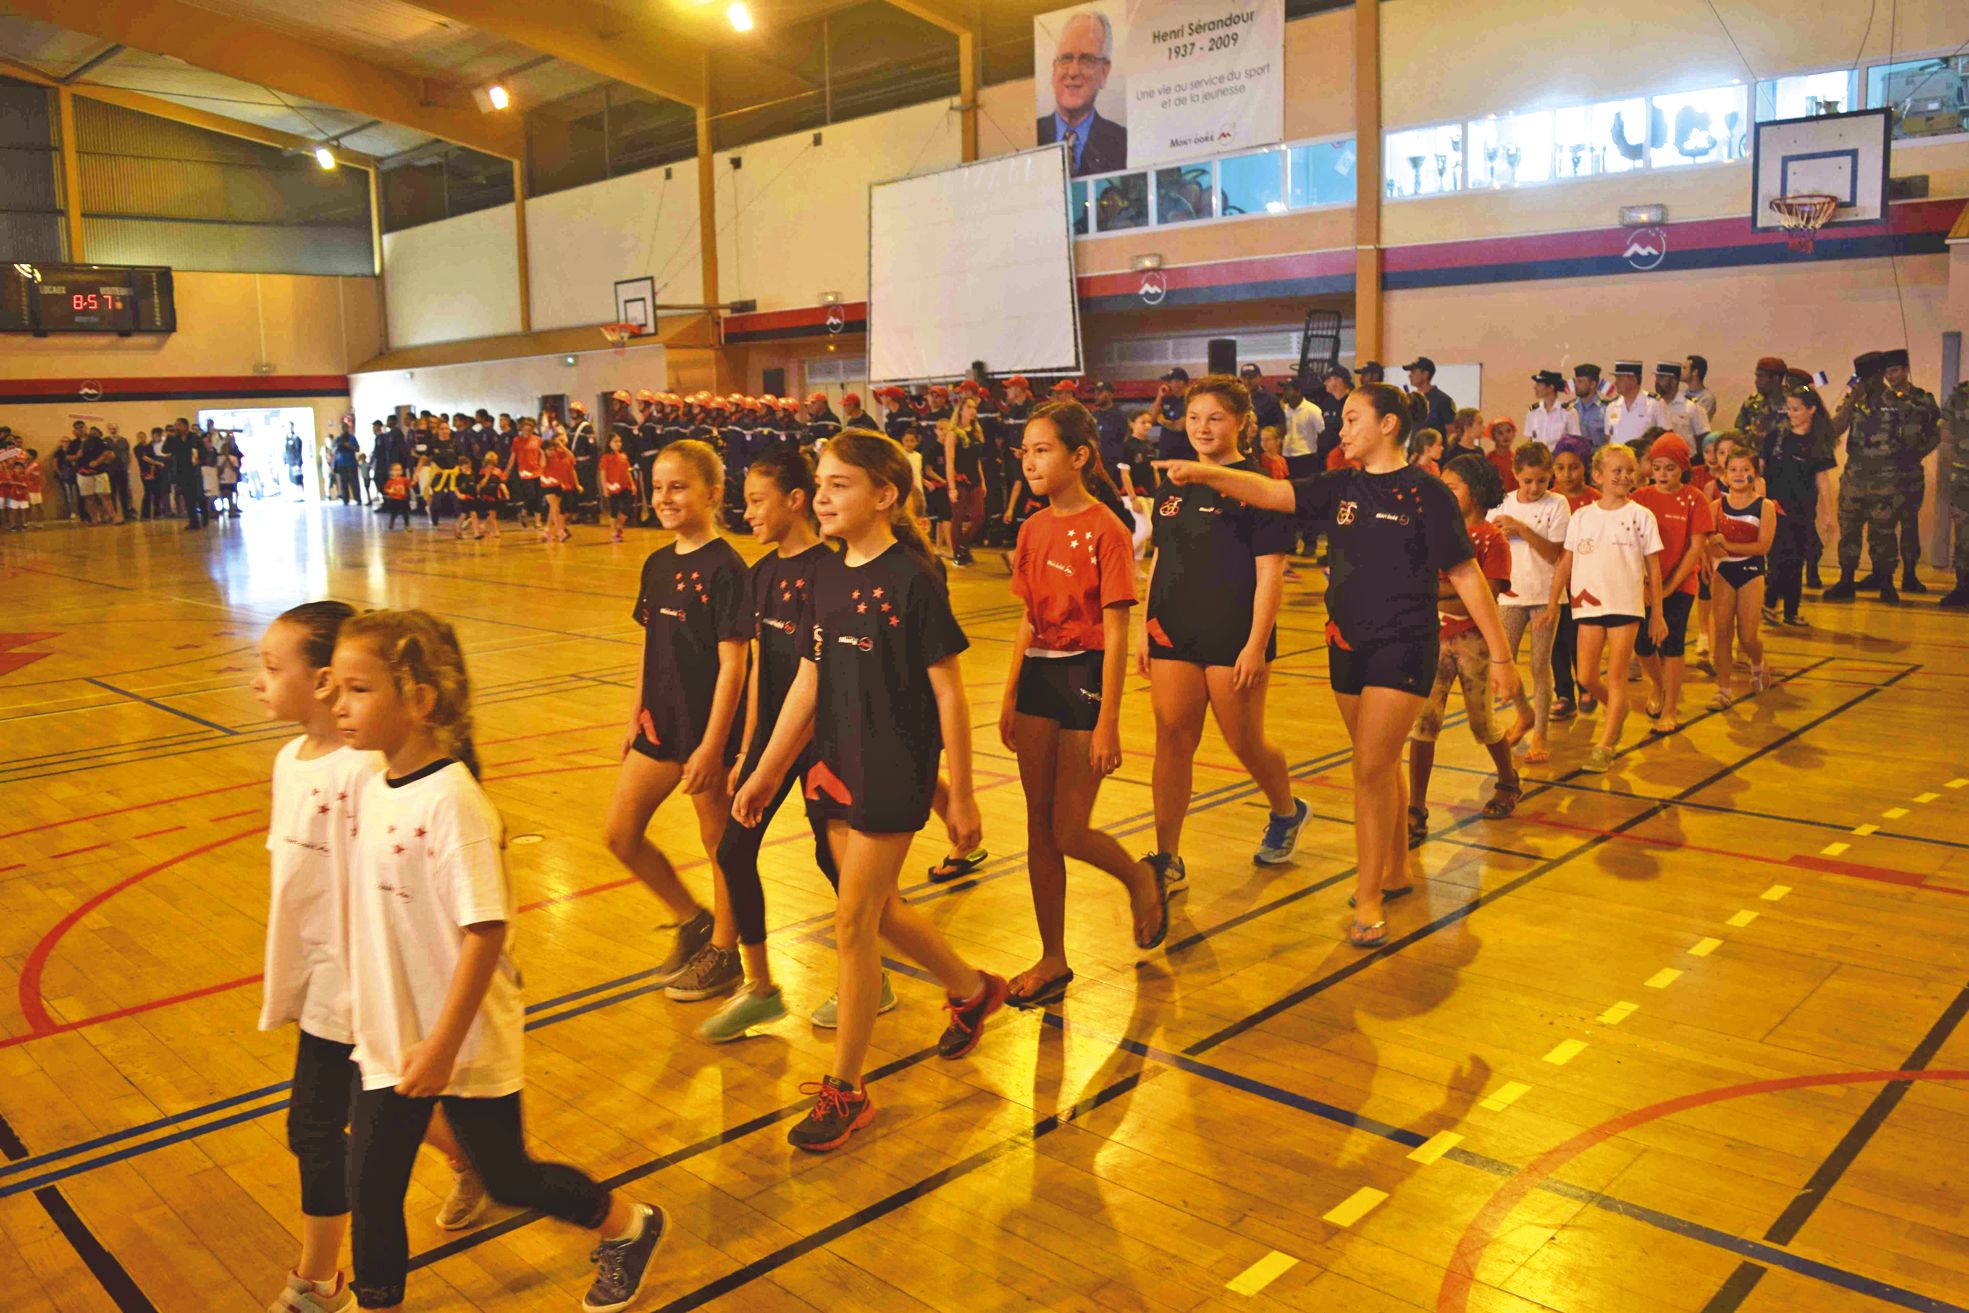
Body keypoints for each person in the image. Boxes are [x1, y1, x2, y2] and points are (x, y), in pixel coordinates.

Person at [329, 610, 664, 1313]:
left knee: (509, 1177)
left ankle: (630, 1225)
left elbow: (484, 932)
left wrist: (444, 1045)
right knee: (371, 1186)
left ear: (418, 700)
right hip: (394, 1037)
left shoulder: (454, 803)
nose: (338, 703)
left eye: (358, 689)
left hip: (461, 1038)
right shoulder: (370, 782)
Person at [1156, 383, 1518, 946]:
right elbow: (1273, 494)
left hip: (1405, 643)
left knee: (1369, 769)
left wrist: (1500, 655)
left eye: (1352, 419)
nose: (1341, 430)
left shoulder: (1427, 493)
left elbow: (1468, 575)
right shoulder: (1340, 485)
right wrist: (1207, 475)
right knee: (1379, 763)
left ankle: (1369, 896)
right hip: (1346, 644)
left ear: (1389, 425)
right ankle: (1394, 868)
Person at [732, 430, 1007, 1152]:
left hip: (892, 767)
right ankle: (974, 989)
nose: (821, 496)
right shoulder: (821, 575)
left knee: (851, 921)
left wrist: (963, 795)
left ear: (884, 495)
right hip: (833, 764)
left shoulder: (913, 578)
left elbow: (947, 694)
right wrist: (765, 768)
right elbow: (809, 677)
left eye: (839, 484)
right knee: (878, 910)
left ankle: (847, 1089)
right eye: (819, 483)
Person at [249, 602, 486, 1313]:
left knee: (316, 1128)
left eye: (270, 667)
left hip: (364, 984)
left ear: (322, 680)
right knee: (372, 1106)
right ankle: (476, 1154)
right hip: (323, 975)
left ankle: (318, 1281)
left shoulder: (365, 771)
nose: (257, 681)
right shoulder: (289, 759)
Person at [1000, 402, 1171, 1009]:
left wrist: (1108, 721)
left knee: (1069, 829)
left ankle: (1139, 877)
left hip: (1086, 678)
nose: (1030, 462)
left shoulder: (1108, 529)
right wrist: (1010, 689)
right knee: (1037, 825)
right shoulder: (1030, 528)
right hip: (1038, 677)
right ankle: (1052, 956)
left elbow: (1119, 629)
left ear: (1079, 457)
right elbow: (1026, 618)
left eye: (1042, 450)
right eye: (1024, 451)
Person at [706, 446, 858, 1041]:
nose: (747, 514)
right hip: (772, 743)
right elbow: (764, 673)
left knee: (835, 861)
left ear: (796, 501)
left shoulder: (832, 569)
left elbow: (822, 678)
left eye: (757, 502)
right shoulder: (761, 574)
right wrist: (747, 751)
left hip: (825, 742)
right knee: (733, 852)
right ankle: (762, 988)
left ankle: (868, 978)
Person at [1137, 376, 1307, 884]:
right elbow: (1160, 559)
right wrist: (1143, 630)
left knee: (1244, 741)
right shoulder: (1174, 484)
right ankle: (1166, 856)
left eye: (1214, 418)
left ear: (1239, 422)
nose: (1202, 428)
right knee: (1171, 736)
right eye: (1193, 418)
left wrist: (1256, 644)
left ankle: (1286, 810)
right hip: (1172, 630)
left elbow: (1270, 572)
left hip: (1234, 633)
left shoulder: (1258, 488)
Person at [599, 440, 750, 1007]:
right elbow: (649, 646)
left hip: (706, 732)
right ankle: (691, 920)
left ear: (712, 494)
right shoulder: (658, 563)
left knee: (719, 847)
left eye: (678, 487)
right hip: (657, 727)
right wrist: (633, 712)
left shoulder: (728, 569)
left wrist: (713, 746)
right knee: (620, 834)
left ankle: (726, 951)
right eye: (658, 487)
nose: (664, 498)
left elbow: (734, 665)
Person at [1407, 452, 1525, 845]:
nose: (1441, 491)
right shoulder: (1432, 531)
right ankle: (1416, 806)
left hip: (1474, 643)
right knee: (1424, 723)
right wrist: (1447, 591)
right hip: (1431, 639)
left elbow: (1481, 599)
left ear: (1473, 495)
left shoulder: (1491, 539)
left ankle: (1508, 780)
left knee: (1481, 721)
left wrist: (1432, 593)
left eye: (1451, 486)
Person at [1545, 445, 1667, 772]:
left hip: (1626, 605)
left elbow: (1653, 568)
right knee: (1585, 676)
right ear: (1598, 476)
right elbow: (1566, 561)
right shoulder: (1582, 516)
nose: (1624, 476)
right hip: (1588, 606)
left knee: (1615, 677)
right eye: (1616, 471)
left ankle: (1606, 744)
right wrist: (1553, 601)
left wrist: (1657, 613)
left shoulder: (1641, 516)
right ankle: (1618, 708)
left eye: (1629, 471)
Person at [1489, 441, 1571, 763]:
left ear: (1550, 476)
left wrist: (1521, 529)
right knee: (1502, 661)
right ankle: (1524, 712)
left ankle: (1540, 734)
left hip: (1545, 595)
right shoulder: (1501, 504)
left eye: (1541, 480)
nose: (1535, 487)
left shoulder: (1558, 504)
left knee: (1540, 666)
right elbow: (1489, 546)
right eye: (1527, 481)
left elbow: (1555, 554)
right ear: (1515, 475)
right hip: (1509, 596)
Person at [1826, 352, 1908, 603]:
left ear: (1878, 376)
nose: (1861, 382)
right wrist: (1852, 400)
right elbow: (1834, 429)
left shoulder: (1896, 401)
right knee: (1849, 531)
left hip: (1885, 479)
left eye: (1865, 377)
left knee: (1883, 533)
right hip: (1855, 478)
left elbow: (1912, 438)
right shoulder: (1855, 401)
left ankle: (1886, 583)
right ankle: (1846, 581)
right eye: (1858, 377)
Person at [1762, 386, 1837, 626]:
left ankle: (1790, 611)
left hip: (1802, 512)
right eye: (1789, 408)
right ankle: (1768, 603)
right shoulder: (1775, 438)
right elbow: (1760, 472)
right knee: (1777, 560)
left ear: (1811, 410)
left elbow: (1823, 482)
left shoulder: (1818, 443)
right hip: (1774, 509)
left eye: (1796, 409)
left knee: (1796, 561)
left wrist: (1829, 515)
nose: (1791, 413)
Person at [1708, 448, 1776, 708]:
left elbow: (1762, 547)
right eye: (1733, 470)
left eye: (1745, 470)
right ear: (1724, 476)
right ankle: (1723, 690)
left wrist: (1727, 545)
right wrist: (1712, 547)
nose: (1739, 474)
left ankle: (1758, 663)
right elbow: (1708, 544)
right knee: (1722, 633)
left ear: (1755, 475)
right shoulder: (1716, 507)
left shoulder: (1765, 506)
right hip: (1723, 573)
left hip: (1751, 572)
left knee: (1747, 636)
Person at [1879, 348, 1941, 594]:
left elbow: (1937, 431)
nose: (1890, 376)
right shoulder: (1879, 400)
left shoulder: (1923, 400)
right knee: (1882, 528)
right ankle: (1883, 577)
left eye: (1894, 371)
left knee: (1909, 526)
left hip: (1910, 474)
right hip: (1883, 474)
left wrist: (1920, 452)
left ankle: (1910, 575)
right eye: (1886, 372)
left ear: (1906, 370)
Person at [1036, 10, 1126, 176]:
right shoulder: (1034, 136)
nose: (1073, 71)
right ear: (1054, 68)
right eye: (1066, 58)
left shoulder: (1123, 144)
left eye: (1086, 60)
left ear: (1104, 72)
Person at [941, 394, 987, 566]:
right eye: (969, 407)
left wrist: (983, 482)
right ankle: (958, 553)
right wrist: (952, 487)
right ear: (960, 410)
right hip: (959, 479)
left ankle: (962, 546)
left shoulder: (975, 433)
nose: (972, 411)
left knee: (979, 516)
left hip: (974, 478)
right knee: (958, 517)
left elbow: (977, 461)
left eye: (974, 408)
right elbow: (949, 462)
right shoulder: (953, 434)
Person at [1942, 380, 1969, 609]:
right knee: (1964, 537)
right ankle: (1964, 588)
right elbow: (1946, 435)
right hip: (1965, 478)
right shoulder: (1961, 395)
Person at [1605, 361, 1668, 451]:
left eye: (1620, 379)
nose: (1615, 383)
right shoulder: (1612, 406)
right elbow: (1608, 438)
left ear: (1633, 380)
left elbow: (1666, 437)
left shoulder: (1655, 404)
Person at [1654, 362, 1711, 445]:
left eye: (1661, 378)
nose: (1657, 382)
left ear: (1673, 381)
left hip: (1687, 456)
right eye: (1656, 377)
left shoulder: (1692, 407)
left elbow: (1704, 437)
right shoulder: (1652, 405)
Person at [163, 419, 206, 530]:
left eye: (178, 425)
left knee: (199, 496)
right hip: (181, 472)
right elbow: (165, 450)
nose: (176, 427)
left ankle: (205, 517)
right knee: (188, 497)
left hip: (194, 471)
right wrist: (169, 437)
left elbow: (203, 452)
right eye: (175, 425)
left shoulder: (194, 438)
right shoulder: (174, 439)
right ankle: (194, 522)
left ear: (185, 426)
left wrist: (199, 460)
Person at [538, 427, 579, 543]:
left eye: (553, 449)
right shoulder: (542, 457)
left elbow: (571, 457)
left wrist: (561, 446)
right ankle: (560, 532)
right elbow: (542, 465)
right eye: (549, 450)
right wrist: (542, 453)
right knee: (555, 507)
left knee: (553, 509)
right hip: (547, 485)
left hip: (557, 484)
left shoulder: (559, 453)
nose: (552, 452)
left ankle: (547, 530)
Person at [1525, 370, 1581, 452]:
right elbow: (1530, 439)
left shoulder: (1568, 412)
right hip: (1538, 460)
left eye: (1539, 384)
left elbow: (1574, 442)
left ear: (1551, 387)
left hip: (1558, 460)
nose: (1535, 387)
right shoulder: (1532, 412)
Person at [1280, 374, 1324, 477]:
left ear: (1297, 391)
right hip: (1286, 455)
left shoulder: (1312, 410)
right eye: (1284, 389)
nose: (1284, 393)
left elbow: (1322, 432)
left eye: (1288, 390)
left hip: (1306, 457)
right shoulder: (1282, 409)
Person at [1404, 357, 1457, 436]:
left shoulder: (1442, 400)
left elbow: (1451, 431)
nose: (1409, 375)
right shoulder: (1412, 399)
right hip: (1415, 447)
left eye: (1413, 372)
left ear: (1425, 374)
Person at [507, 417, 543, 530]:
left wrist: (544, 468)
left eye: (530, 430)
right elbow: (513, 456)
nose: (527, 432)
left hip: (537, 470)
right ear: (521, 429)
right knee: (530, 494)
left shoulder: (537, 440)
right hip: (524, 471)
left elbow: (542, 454)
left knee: (538, 496)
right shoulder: (517, 440)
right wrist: (507, 470)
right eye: (525, 430)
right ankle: (524, 511)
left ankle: (537, 521)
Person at [600, 431, 635, 543]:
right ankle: (613, 532)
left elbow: (627, 471)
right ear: (609, 443)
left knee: (628, 508)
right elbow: (603, 472)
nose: (618, 443)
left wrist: (632, 484)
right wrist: (605, 488)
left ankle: (619, 525)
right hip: (613, 487)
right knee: (614, 509)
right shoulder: (606, 457)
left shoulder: (623, 456)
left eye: (619, 441)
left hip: (625, 485)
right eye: (615, 441)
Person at [1569, 364, 1607, 449]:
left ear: (1593, 384)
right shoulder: (1570, 409)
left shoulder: (1606, 410)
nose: (1576, 385)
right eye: (1575, 381)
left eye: (1580, 381)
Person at [1242, 363, 1287, 433]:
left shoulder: (1271, 400)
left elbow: (1280, 426)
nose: (1248, 381)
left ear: (1260, 377)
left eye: (1251, 377)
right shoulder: (1237, 398)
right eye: (1244, 377)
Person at [1683, 354, 1718, 424]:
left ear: (1695, 372)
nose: (1681, 371)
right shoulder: (1682, 394)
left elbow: (1699, 424)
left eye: (1684, 368)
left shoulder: (1707, 399)